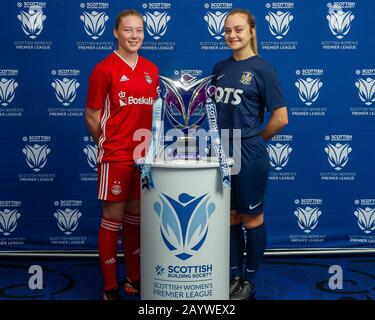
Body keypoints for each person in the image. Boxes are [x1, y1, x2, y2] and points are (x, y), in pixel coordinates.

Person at [212, 8, 288, 300]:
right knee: (229, 217)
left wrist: (254, 140)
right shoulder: (219, 68)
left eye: (238, 29)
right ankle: (233, 275)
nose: (232, 35)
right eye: (228, 30)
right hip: (221, 149)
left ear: (252, 32)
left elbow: (281, 117)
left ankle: (249, 280)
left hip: (248, 149)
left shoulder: (262, 69)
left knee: (251, 218)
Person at [85, 9, 159, 300]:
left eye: (139, 30)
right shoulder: (104, 69)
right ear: (116, 32)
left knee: (135, 219)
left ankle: (134, 278)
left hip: (143, 158)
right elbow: (92, 116)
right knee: (112, 219)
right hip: (115, 156)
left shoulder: (151, 70)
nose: (134, 36)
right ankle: (109, 287)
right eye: (128, 30)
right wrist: (108, 145)